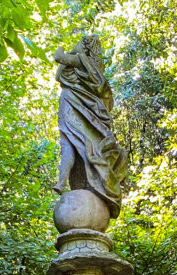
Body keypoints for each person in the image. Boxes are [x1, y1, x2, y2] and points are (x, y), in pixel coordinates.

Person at [53, 35, 128, 218]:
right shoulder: (89, 67)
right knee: (71, 145)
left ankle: (62, 182)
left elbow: (58, 57)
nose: (75, 44)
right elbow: (58, 76)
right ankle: (62, 182)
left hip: (72, 108)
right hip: (72, 108)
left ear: (84, 47)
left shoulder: (80, 60)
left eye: (78, 42)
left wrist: (67, 50)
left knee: (69, 145)